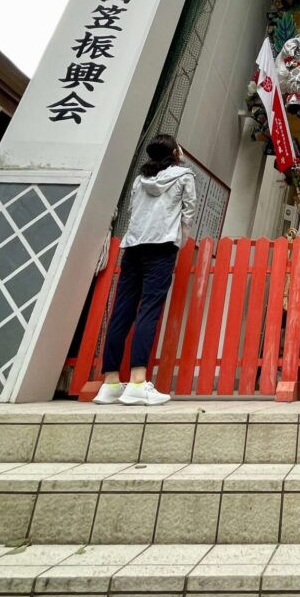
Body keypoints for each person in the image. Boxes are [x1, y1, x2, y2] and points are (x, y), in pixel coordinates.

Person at [93, 133, 196, 406]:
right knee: (148, 310)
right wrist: (180, 240)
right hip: (161, 246)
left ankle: (110, 383)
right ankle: (138, 382)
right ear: (175, 151)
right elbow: (188, 213)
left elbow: (132, 210)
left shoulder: (141, 179)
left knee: (121, 311)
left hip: (134, 246)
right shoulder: (184, 176)